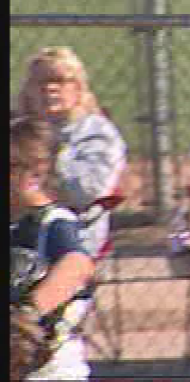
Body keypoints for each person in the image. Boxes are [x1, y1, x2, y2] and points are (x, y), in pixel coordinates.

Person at [15, 46, 128, 261]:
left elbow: (86, 190)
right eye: (41, 81)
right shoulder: (17, 130)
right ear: (28, 90)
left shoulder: (97, 133)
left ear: (78, 87)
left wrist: (45, 160)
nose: (51, 88)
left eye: (60, 80)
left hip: (74, 239)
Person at [10, 115, 97, 380]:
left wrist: (29, 312)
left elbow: (77, 264)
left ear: (37, 171)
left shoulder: (53, 223)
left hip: (52, 371)